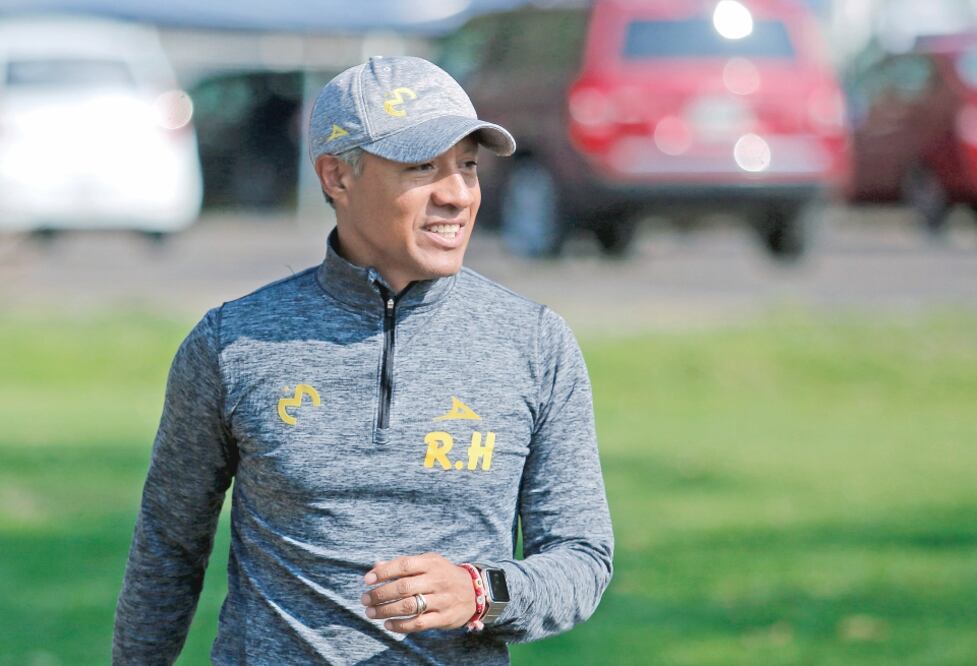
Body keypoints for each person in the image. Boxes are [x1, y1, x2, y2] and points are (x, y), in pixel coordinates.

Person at [113, 55, 613, 665]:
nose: (456, 194)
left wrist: (482, 593)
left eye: (468, 167)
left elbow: (581, 557)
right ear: (336, 176)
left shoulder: (536, 343)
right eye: (422, 166)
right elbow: (167, 549)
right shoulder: (231, 343)